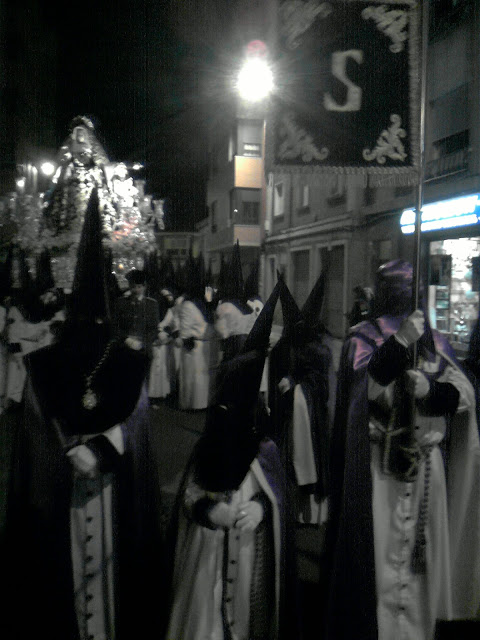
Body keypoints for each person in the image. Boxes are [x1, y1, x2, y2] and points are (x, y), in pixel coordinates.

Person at [0, 189, 164, 640]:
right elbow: (35, 437)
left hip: (115, 500)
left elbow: (139, 426)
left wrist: (100, 449)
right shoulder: (46, 364)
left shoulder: (129, 365)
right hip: (60, 504)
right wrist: (68, 454)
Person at [325, 259, 480, 640]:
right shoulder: (363, 337)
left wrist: (432, 391)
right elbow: (363, 393)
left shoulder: (434, 339)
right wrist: (398, 345)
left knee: (421, 568)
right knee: (378, 560)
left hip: (427, 470)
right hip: (380, 470)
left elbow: (465, 394)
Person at [165, 279, 297, 640]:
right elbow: (190, 495)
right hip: (206, 558)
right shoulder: (212, 441)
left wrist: (262, 510)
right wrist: (209, 511)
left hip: (251, 553)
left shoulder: (266, 450)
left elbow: (279, 497)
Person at [269, 273, 333, 526]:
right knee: (287, 456)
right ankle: (290, 507)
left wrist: (296, 385)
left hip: (311, 416)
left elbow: (322, 384)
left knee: (311, 457)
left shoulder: (319, 351)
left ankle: (311, 512)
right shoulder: (284, 347)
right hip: (287, 414)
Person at [176, 253, 214, 410]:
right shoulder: (187, 305)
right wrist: (187, 339)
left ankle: (202, 404)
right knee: (194, 379)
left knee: (202, 379)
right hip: (194, 347)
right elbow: (185, 331)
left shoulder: (204, 304)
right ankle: (192, 404)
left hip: (205, 346)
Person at [113, 268, 160, 361]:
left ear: (144, 287)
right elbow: (114, 326)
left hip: (144, 350)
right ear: (129, 286)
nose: (136, 290)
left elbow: (154, 328)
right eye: (133, 287)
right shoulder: (121, 303)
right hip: (124, 348)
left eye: (139, 287)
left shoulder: (151, 304)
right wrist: (127, 340)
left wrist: (143, 343)